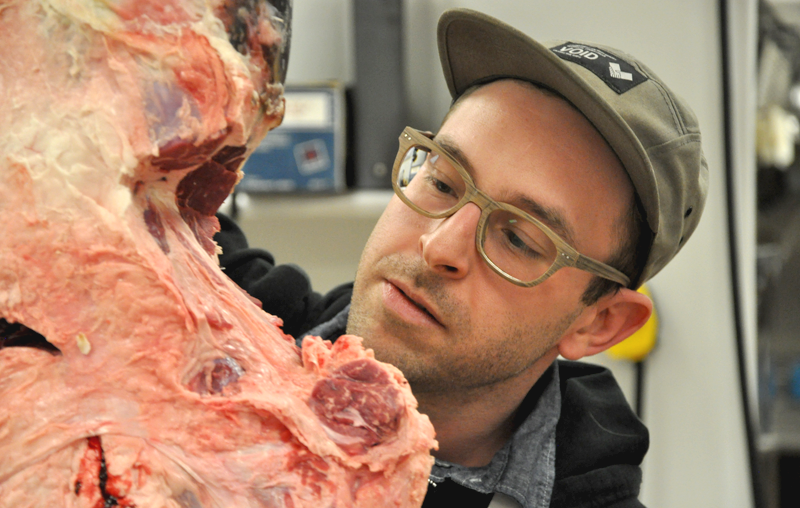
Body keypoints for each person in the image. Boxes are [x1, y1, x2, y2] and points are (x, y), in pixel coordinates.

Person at [215, 8, 708, 508]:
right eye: (443, 181)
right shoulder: (212, 309)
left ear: (599, 323)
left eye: (519, 239)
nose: (440, 247)